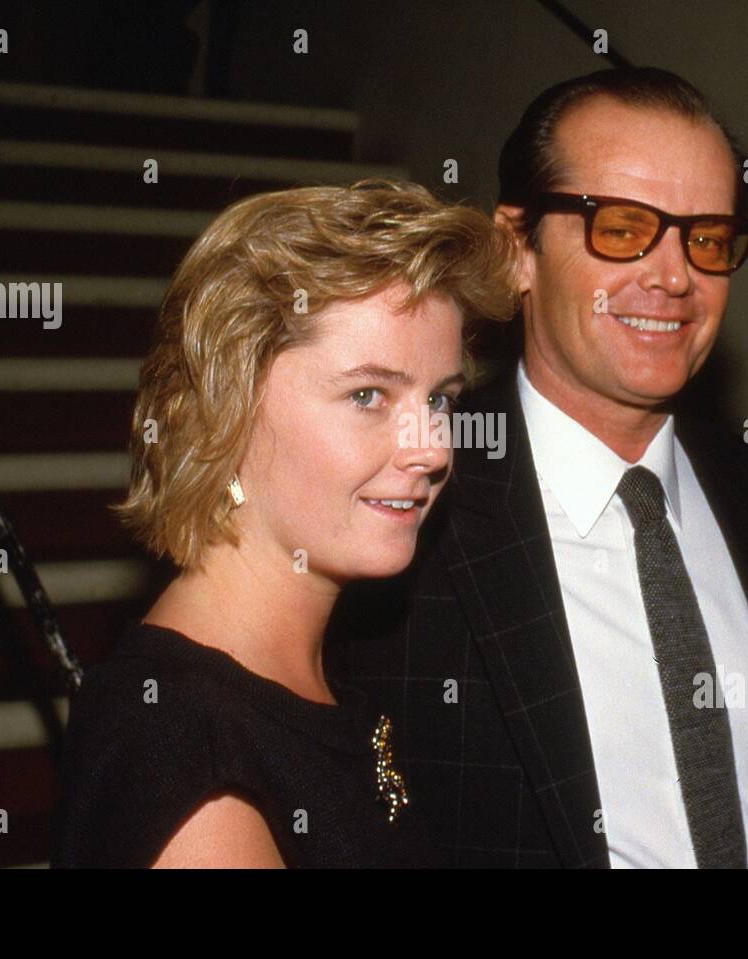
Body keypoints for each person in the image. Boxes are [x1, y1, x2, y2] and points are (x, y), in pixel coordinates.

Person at [327, 68, 748, 868]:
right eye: (621, 228)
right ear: (517, 250)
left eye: (709, 237)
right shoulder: (409, 512)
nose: (674, 276)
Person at [51, 180, 518, 867]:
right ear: (224, 411)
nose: (434, 447)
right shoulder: (186, 748)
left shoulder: (328, 668)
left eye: (441, 399)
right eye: (368, 395)